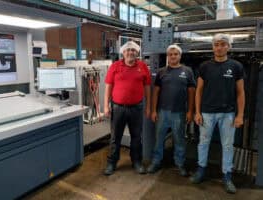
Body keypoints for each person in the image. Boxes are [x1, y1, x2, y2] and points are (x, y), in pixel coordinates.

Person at [190, 34, 245, 194]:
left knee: (227, 146)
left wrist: (240, 115)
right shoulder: (205, 66)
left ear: (228, 46)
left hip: (228, 114)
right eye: (216, 44)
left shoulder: (236, 66)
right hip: (207, 113)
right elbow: (199, 91)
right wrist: (197, 112)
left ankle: (227, 176)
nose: (219, 47)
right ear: (213, 47)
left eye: (222, 44)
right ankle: (201, 170)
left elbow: (241, 93)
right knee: (203, 142)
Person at [147, 45, 196, 176]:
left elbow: (192, 92)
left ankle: (179, 163)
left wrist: (191, 111)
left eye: (175, 54)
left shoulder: (187, 71)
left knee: (179, 139)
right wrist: (153, 110)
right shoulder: (161, 72)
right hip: (162, 112)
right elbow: (155, 92)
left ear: (180, 56)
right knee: (159, 139)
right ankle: (156, 161)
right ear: (167, 56)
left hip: (179, 113)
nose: (173, 56)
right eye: (170, 54)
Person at [103, 41, 151, 176]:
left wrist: (148, 107)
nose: (130, 52)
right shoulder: (115, 66)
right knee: (115, 137)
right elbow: (108, 87)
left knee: (136, 137)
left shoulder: (143, 67)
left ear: (137, 53)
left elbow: (147, 88)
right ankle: (112, 162)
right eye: (128, 50)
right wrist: (106, 105)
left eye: (133, 50)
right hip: (118, 108)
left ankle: (136, 162)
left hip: (137, 108)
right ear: (123, 53)